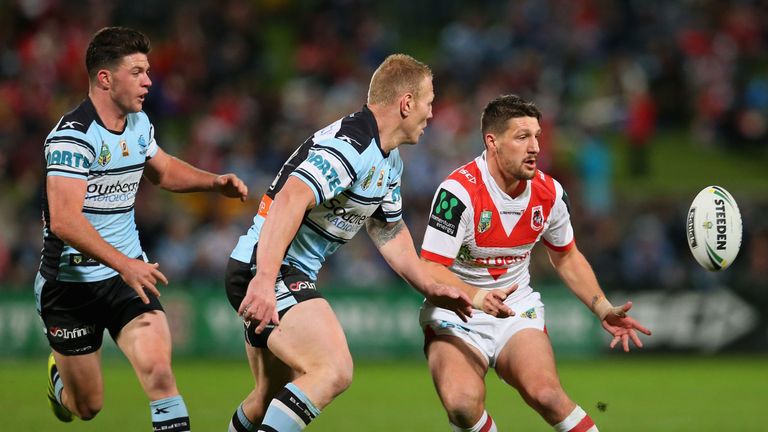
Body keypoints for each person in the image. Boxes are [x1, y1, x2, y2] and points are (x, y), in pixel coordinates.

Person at [225, 54, 472, 432]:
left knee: (267, 398)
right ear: (406, 103)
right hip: (269, 268)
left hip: (272, 270)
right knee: (333, 369)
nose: (432, 113)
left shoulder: (389, 162)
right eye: (428, 101)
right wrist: (264, 281)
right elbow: (291, 198)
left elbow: (388, 230)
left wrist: (430, 286)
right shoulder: (351, 144)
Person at [36, 27, 248, 431]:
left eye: (147, 71)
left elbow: (163, 169)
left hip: (126, 278)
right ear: (105, 78)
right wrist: (125, 264)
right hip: (70, 284)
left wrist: (213, 181)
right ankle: (60, 381)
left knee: (159, 373)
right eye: (137, 72)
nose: (149, 80)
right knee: (86, 407)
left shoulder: (138, 123)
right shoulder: (71, 137)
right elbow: (64, 221)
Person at [418, 94, 652, 432]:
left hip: (515, 309)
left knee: (547, 395)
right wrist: (478, 297)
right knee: (462, 405)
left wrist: (601, 307)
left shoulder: (550, 193)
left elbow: (566, 256)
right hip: (458, 310)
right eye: (522, 136)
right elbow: (430, 268)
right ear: (492, 142)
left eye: (537, 136)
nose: (535, 147)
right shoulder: (458, 194)